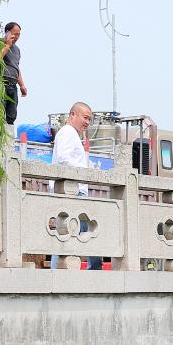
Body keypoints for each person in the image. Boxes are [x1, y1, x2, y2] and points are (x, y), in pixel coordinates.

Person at [51, 102, 102, 271]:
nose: (87, 122)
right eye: (85, 118)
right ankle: (92, 270)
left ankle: (91, 269)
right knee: (80, 233)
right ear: (73, 114)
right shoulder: (67, 132)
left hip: (75, 191)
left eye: (90, 119)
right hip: (72, 192)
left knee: (69, 234)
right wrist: (85, 170)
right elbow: (63, 158)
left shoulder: (71, 134)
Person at [0, 22, 27, 126]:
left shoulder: (17, 50)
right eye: (14, 34)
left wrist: (22, 85)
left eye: (18, 35)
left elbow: (16, 67)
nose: (16, 37)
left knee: (11, 115)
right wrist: (7, 45)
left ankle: (8, 138)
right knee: (0, 113)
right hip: (2, 83)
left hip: (13, 84)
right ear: (7, 32)